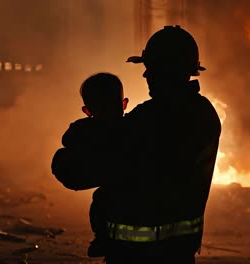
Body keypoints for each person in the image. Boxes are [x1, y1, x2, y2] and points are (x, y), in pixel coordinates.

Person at [52, 25, 221, 264]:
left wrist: (62, 157)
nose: (145, 75)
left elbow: (79, 173)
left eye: (150, 69)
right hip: (179, 252)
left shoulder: (149, 120)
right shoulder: (206, 115)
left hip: (135, 254)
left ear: (166, 70)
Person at [54, 72, 128, 257]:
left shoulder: (88, 128)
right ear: (124, 103)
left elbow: (68, 139)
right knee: (102, 200)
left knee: (102, 200)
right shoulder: (129, 126)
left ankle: (102, 238)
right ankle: (103, 238)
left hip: (121, 191)